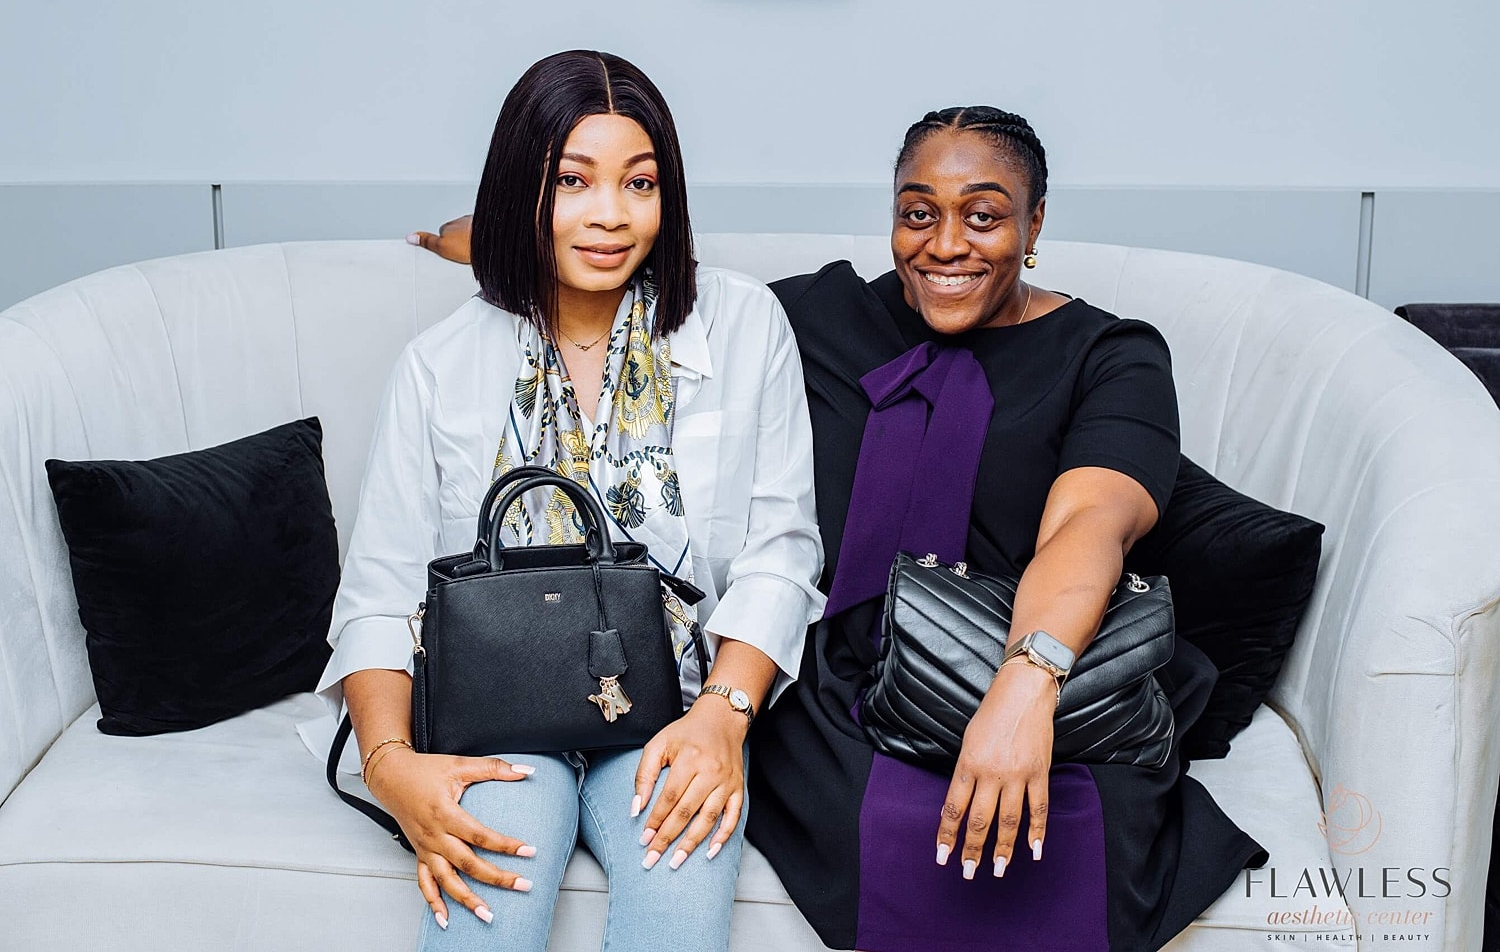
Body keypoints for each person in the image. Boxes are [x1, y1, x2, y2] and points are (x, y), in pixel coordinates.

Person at [407, 106, 1264, 951]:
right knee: (868, 833)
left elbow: (1089, 526)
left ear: (1034, 221)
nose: (947, 244)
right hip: (839, 695)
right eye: (918, 212)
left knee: (1067, 844)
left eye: (985, 215)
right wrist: (481, 236)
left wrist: (1024, 688)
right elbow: (626, 260)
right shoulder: (816, 317)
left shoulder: (1113, 356)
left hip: (1030, 666)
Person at [321, 49, 824, 952]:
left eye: (640, 183)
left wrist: (723, 717)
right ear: (523, 190)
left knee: (679, 915)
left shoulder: (747, 327)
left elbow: (782, 549)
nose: (610, 215)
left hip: (676, 707)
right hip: (493, 709)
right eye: (573, 181)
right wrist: (391, 764)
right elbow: (380, 586)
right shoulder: (440, 365)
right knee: (489, 908)